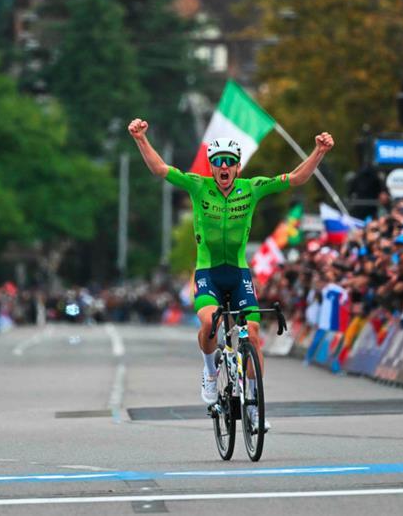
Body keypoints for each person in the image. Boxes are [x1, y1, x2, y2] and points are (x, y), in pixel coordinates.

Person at [128, 118, 334, 432]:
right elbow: (160, 170)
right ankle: (210, 374)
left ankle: (253, 404)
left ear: (238, 167)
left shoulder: (251, 188)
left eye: (230, 162)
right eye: (218, 162)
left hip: (239, 273)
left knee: (252, 334)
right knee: (211, 322)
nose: (224, 167)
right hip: (208, 270)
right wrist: (141, 138)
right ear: (211, 167)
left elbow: (295, 179)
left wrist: (318, 151)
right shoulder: (198, 186)